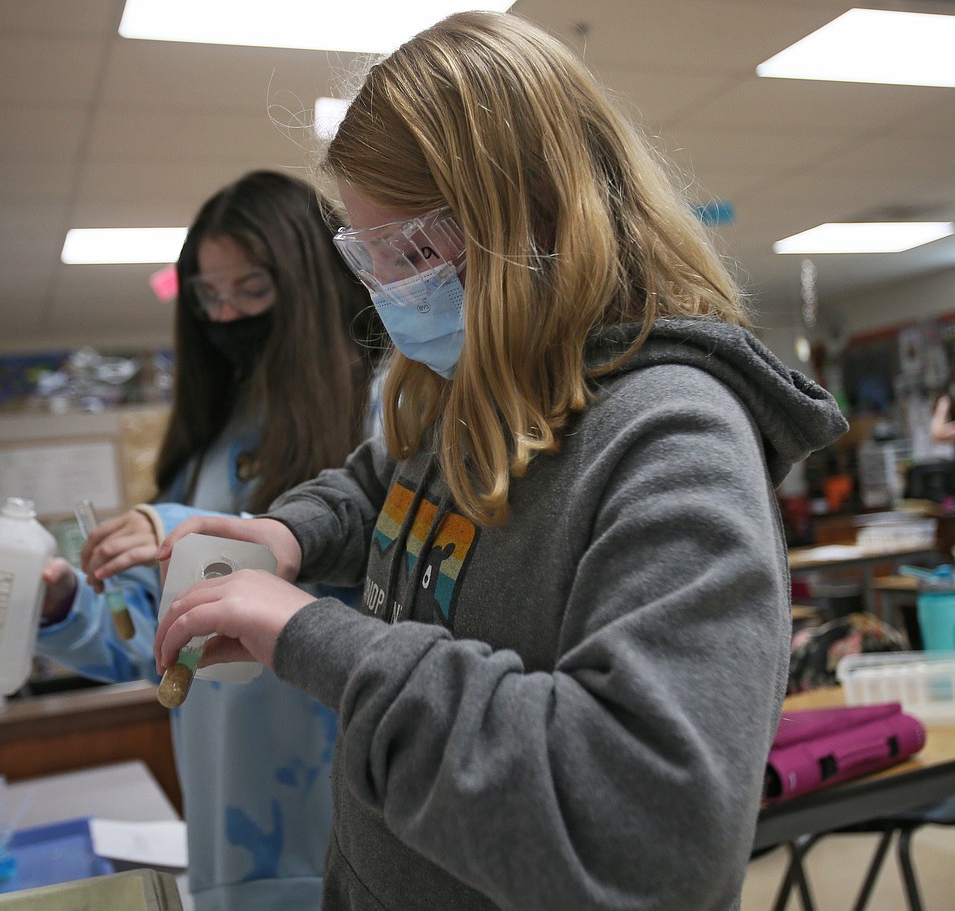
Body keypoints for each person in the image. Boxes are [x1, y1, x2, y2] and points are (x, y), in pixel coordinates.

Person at [150, 12, 849, 911]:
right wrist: (289, 534)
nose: (395, 292)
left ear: (539, 215)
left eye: (413, 252)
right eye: (371, 260)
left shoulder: (672, 437)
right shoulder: (478, 387)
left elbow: (654, 833)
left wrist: (311, 635)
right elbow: (379, 479)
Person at [35, 169, 385, 911]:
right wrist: (66, 606)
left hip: (348, 830)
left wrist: (172, 528)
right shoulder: (212, 442)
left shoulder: (383, 411)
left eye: (251, 289)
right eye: (209, 294)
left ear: (311, 283)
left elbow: (388, 596)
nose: (227, 313)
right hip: (231, 836)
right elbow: (167, 641)